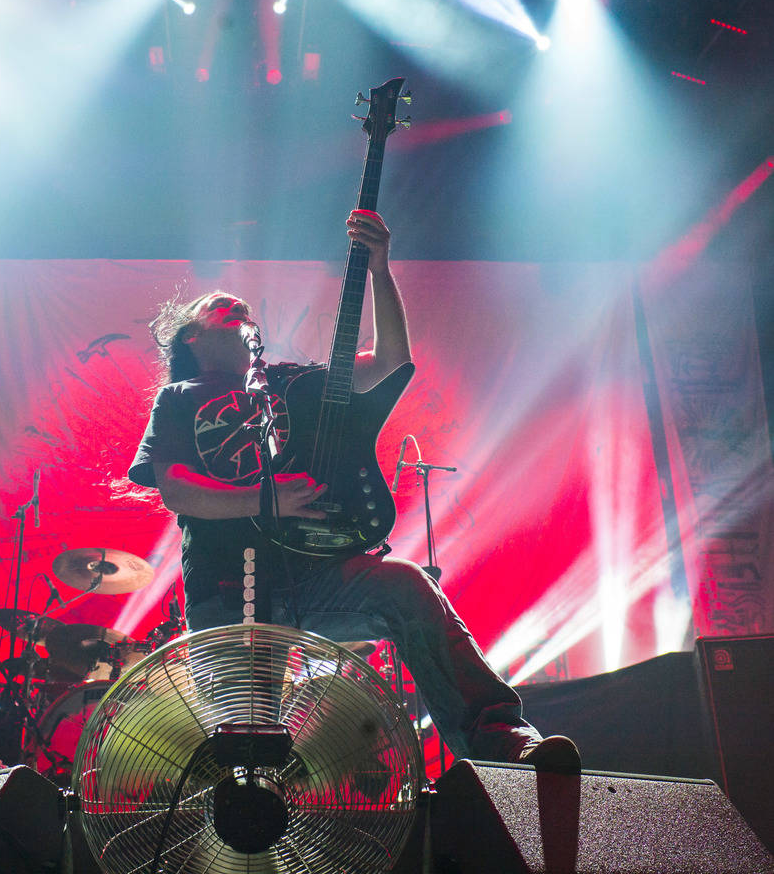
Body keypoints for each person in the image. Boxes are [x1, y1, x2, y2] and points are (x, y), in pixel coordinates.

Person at [128, 209, 580, 773]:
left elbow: (391, 361)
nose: (235, 305)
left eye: (241, 306)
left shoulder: (291, 380)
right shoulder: (179, 396)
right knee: (248, 761)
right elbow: (174, 488)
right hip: (230, 589)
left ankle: (500, 740)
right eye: (218, 306)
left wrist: (381, 267)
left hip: (314, 574)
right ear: (192, 336)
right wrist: (264, 501)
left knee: (409, 589)